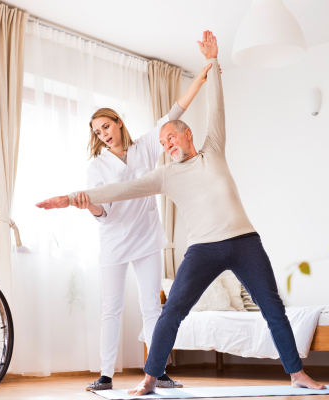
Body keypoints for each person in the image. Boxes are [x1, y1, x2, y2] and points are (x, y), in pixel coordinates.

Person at [36, 30, 327, 395]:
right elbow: (119, 190)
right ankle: (150, 377)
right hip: (203, 249)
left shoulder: (213, 149)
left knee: (272, 307)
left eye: (171, 137)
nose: (166, 144)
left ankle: (297, 373)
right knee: (171, 311)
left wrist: (213, 63)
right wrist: (72, 197)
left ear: (188, 135)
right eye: (162, 142)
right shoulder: (165, 175)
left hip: (244, 242)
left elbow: (217, 105)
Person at [71, 56, 212, 391]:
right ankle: (106, 375)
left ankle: (157, 371)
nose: (102, 134)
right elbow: (102, 214)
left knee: (152, 307)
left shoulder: (146, 146)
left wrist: (202, 79)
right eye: (96, 131)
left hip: (147, 238)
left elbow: (174, 113)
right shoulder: (97, 167)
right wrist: (90, 206)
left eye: (105, 126)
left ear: (118, 123)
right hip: (115, 243)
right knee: (112, 309)